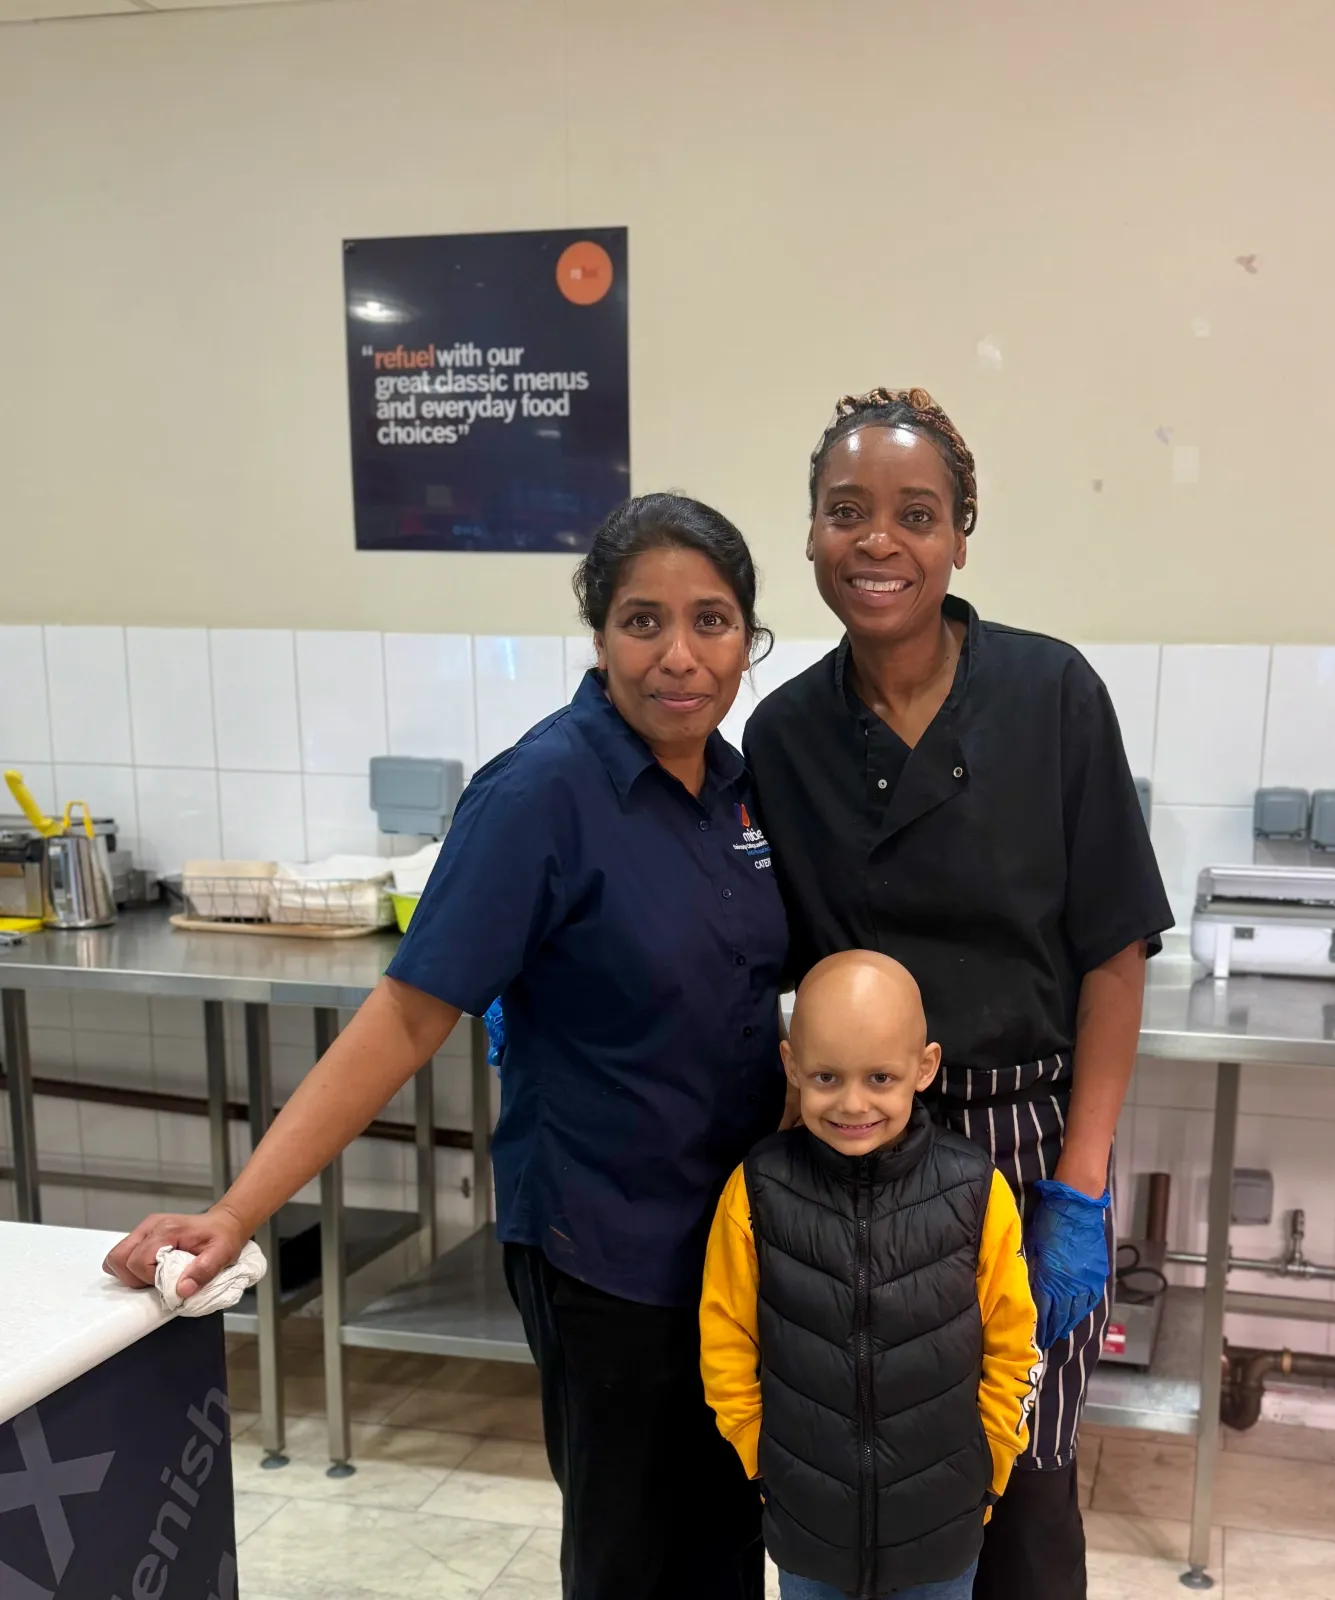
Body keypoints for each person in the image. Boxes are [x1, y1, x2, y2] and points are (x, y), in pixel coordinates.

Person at [104, 493, 788, 1600]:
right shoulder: (540, 794)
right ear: (598, 632)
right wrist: (239, 1210)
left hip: (735, 1243)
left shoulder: (735, 788)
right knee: (632, 1554)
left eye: (711, 621)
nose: (680, 655)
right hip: (603, 1244)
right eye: (642, 620)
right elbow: (406, 1018)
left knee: (720, 1538)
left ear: (746, 639)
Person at [742, 389, 1174, 1600]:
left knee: (1022, 1475)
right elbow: (739, 929)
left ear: (959, 537)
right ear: (813, 535)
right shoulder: (783, 733)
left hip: (1021, 1136)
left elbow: (1112, 954)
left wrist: (1079, 1188)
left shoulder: (1049, 695)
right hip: (848, 1148)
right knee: (859, 1473)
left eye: (914, 514)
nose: (878, 540)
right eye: (847, 513)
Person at [700, 951, 1040, 1600]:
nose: (853, 1103)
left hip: (942, 1531)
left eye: (880, 1077)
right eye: (826, 1077)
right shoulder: (757, 1190)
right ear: (790, 1066)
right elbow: (725, 1340)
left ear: (925, 1068)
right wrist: (761, 1457)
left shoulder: (976, 1191)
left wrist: (989, 1467)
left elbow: (1015, 1345)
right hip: (807, 1530)